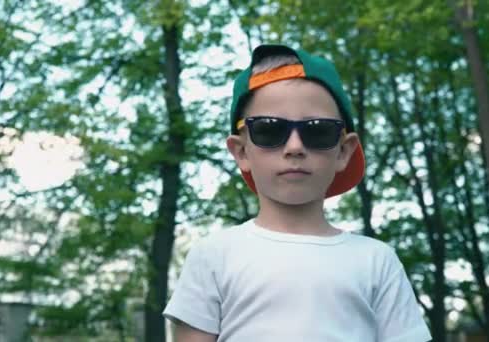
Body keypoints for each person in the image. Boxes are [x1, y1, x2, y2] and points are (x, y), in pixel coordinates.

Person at [163, 44, 432, 342]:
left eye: (318, 130)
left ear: (343, 151)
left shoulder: (377, 261)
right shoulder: (213, 257)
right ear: (241, 151)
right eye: (268, 129)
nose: (294, 147)